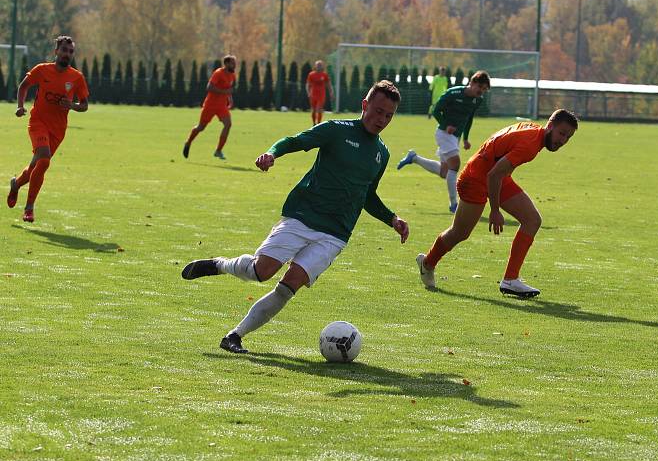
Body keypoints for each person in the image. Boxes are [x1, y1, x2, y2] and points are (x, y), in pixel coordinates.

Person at [181, 80, 409, 354]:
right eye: (378, 111)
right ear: (364, 105)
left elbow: (367, 195)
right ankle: (218, 265)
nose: (382, 119)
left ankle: (235, 336)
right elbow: (295, 141)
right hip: (303, 216)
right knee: (260, 272)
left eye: (388, 115)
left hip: (336, 234)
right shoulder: (336, 130)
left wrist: (392, 219)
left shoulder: (381, 154)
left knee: (289, 286)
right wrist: (272, 154)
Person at [415, 109, 578, 298]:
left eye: (568, 137)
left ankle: (510, 279)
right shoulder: (530, 144)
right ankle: (427, 263)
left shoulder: (534, 130)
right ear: (550, 126)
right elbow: (493, 175)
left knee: (532, 220)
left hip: (496, 175)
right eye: (562, 133)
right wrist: (494, 210)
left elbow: (498, 167)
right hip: (476, 179)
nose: (563, 140)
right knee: (460, 233)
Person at [6, 35, 89, 223]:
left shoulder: (76, 77)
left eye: (70, 51)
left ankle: (16, 184)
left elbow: (84, 105)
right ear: (56, 51)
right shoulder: (42, 70)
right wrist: (20, 106)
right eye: (64, 50)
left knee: (37, 165)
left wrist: (72, 105)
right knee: (44, 160)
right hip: (38, 122)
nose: (67, 54)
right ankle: (29, 208)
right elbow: (23, 86)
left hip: (58, 130)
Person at [397, 71, 491, 213]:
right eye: (480, 87)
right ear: (472, 83)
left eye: (484, 89)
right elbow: (436, 111)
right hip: (443, 134)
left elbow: (469, 118)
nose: (481, 91)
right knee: (455, 165)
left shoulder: (478, 100)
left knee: (444, 172)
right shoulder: (453, 93)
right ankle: (454, 205)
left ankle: (414, 158)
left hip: (455, 138)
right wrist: (446, 124)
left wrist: (465, 138)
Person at [183, 55, 236, 160]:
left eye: (235, 63)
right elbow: (209, 87)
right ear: (226, 64)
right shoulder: (218, 73)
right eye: (232, 63)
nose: (234, 65)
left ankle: (218, 150)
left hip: (222, 106)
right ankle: (188, 142)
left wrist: (230, 99)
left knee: (228, 124)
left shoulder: (232, 75)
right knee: (201, 127)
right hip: (210, 105)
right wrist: (224, 92)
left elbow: (228, 89)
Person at [306, 60, 334, 126]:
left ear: (322, 66)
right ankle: (314, 123)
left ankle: (318, 124)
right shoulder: (311, 74)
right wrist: (308, 92)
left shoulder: (324, 75)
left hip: (321, 95)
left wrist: (331, 92)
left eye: (320, 65)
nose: (319, 66)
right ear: (315, 66)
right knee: (313, 110)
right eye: (318, 65)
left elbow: (329, 84)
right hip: (313, 95)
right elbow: (308, 84)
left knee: (319, 109)